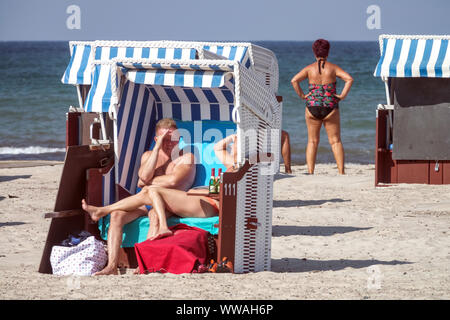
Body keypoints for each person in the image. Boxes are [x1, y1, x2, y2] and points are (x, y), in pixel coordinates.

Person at [82, 131, 237, 275]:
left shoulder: (240, 168)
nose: (233, 145)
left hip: (211, 203)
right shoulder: (232, 163)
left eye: (237, 143)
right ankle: (112, 264)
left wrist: (147, 182)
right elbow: (218, 147)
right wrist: (233, 137)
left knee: (152, 191)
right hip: (194, 199)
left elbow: (170, 180)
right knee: (142, 196)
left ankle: (106, 212)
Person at [82, 118, 196, 275]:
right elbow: (143, 177)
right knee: (116, 216)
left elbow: (173, 181)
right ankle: (112, 266)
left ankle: (144, 263)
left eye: (173, 139)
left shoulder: (186, 156)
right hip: (146, 200)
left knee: (154, 215)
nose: (169, 144)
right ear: (156, 139)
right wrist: (157, 149)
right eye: (164, 140)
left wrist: (147, 183)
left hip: (170, 204)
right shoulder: (149, 155)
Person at [291, 39, 353, 175]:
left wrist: (302, 95)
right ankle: (341, 172)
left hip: (312, 107)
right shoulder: (333, 68)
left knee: (312, 141)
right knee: (335, 141)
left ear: (314, 52)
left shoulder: (309, 68)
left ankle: (310, 171)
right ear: (328, 52)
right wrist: (342, 95)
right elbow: (349, 79)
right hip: (330, 107)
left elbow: (294, 80)